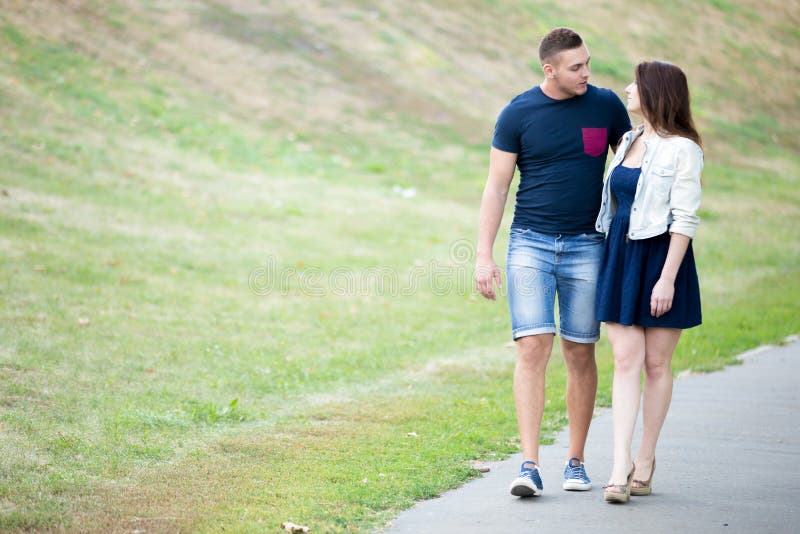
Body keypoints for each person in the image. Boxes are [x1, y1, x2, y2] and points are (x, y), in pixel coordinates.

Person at [475, 27, 631, 497]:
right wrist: (484, 255)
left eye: (588, 63)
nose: (587, 73)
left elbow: (633, 166)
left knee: (580, 350)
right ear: (550, 69)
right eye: (576, 67)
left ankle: (576, 461)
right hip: (530, 243)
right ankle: (528, 465)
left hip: (589, 245)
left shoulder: (606, 107)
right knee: (531, 347)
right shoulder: (518, 113)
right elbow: (496, 187)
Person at [593, 61, 703, 503]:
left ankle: (646, 457)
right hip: (621, 256)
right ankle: (619, 464)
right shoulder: (627, 141)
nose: (626, 89)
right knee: (625, 359)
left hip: (663, 258)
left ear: (656, 92)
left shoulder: (683, 150)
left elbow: (685, 218)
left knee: (656, 365)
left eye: (635, 84)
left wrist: (667, 280)